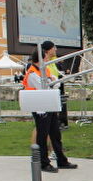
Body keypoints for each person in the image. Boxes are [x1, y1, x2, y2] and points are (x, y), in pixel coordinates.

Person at [23, 41, 78, 173]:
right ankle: (44, 162)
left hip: (49, 104)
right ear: (41, 59)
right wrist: (52, 82)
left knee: (55, 133)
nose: (48, 59)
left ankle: (61, 160)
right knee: (42, 135)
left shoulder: (44, 70)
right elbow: (45, 85)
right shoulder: (32, 73)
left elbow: (55, 83)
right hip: (40, 107)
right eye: (46, 57)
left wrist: (51, 82)